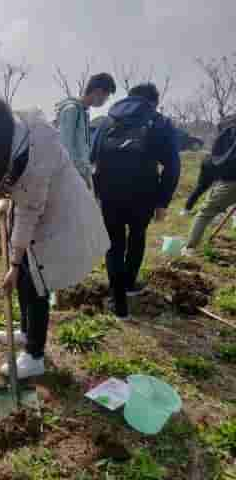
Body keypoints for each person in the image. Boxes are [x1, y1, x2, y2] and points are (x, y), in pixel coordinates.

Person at [0, 99, 109, 379]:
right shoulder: (17, 133)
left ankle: (35, 355)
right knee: (24, 281)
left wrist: (14, 263)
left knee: (36, 283)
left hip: (59, 216)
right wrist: (7, 200)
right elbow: (20, 197)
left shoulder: (35, 157)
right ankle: (25, 329)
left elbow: (29, 211)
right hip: (40, 209)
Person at [92, 83, 180, 319]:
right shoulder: (159, 122)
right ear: (153, 102)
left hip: (110, 195)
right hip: (143, 196)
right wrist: (163, 201)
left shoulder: (106, 121)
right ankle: (129, 284)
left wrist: (97, 193)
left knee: (114, 244)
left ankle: (118, 302)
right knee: (137, 236)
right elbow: (172, 165)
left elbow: (93, 158)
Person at [182, 115, 236, 254]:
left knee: (205, 212)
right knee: (207, 197)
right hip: (226, 177)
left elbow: (220, 158)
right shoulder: (228, 130)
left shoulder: (229, 129)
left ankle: (189, 248)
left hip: (231, 179)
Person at [55, 73, 116, 189]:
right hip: (72, 178)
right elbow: (65, 148)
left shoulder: (83, 113)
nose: (105, 100)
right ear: (98, 92)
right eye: (106, 96)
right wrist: (80, 176)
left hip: (79, 176)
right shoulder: (71, 110)